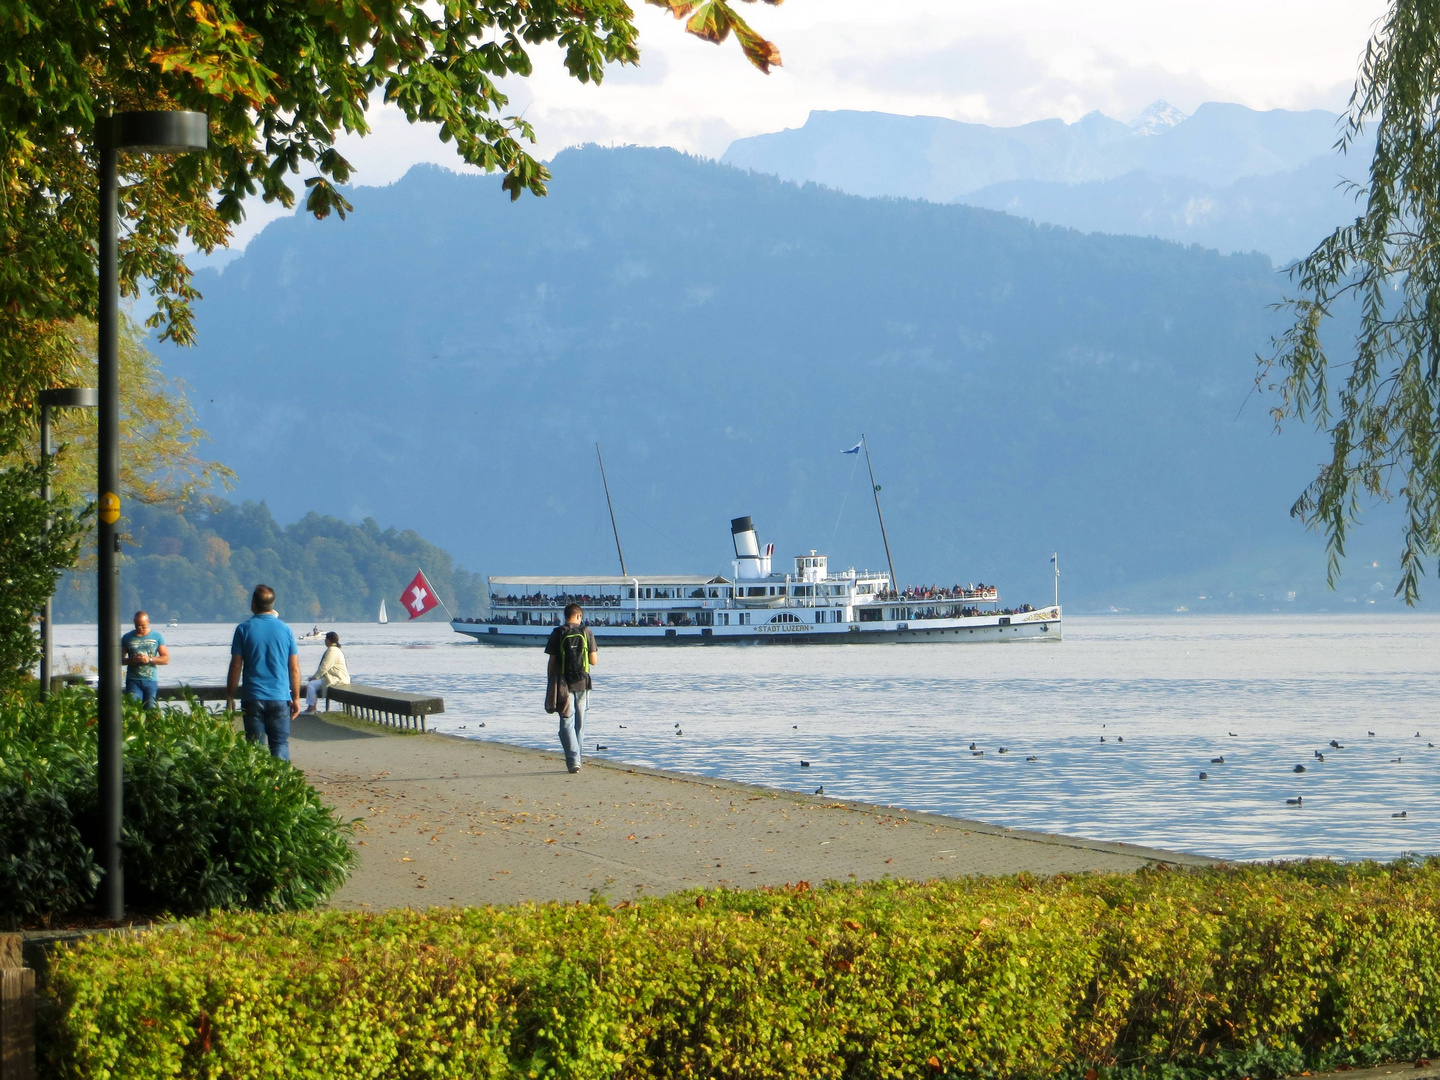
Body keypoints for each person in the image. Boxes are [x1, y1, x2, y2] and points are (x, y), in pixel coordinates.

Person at [226, 584, 300, 760]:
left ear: (253, 604)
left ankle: (259, 785)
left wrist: (230, 695)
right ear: (272, 604)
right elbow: (294, 668)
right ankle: (280, 783)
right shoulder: (285, 630)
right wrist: (296, 697)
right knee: (280, 744)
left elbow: (236, 665)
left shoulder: (243, 629)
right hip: (280, 696)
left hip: (253, 696)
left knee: (255, 747)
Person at [545, 602, 597, 773]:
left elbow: (552, 660)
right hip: (582, 681)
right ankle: (578, 760)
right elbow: (593, 661)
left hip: (562, 682)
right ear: (579, 616)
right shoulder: (586, 631)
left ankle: (573, 760)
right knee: (580, 723)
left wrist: (550, 681)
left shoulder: (558, 632)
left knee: (566, 720)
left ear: (565, 616)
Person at [120, 610, 168, 708]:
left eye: (143, 626)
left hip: (151, 680)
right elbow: (118, 660)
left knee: (151, 710)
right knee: (133, 709)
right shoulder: (127, 637)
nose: (140, 628)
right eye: (137, 626)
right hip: (133, 681)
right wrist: (132, 660)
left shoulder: (157, 637)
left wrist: (149, 659)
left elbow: (165, 659)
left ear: (148, 622)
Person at [303, 631, 350, 712]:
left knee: (311, 685)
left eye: (325, 639)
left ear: (329, 640)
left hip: (337, 678)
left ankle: (311, 708)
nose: (325, 641)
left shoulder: (332, 651)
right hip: (335, 677)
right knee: (313, 684)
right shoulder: (336, 649)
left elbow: (324, 666)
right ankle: (312, 707)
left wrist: (315, 677)